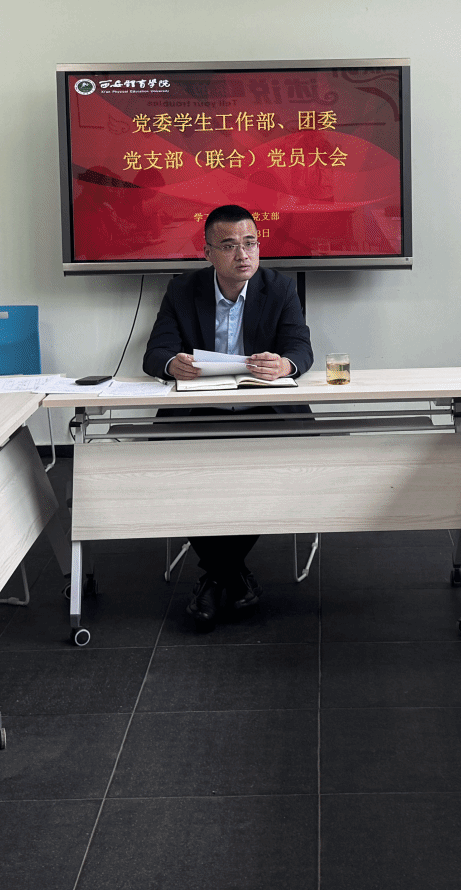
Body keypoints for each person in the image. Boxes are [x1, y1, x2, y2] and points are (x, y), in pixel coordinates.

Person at [142, 203, 314, 627]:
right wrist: (172, 364)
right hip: (200, 411)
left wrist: (284, 365)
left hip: (264, 410)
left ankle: (216, 577)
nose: (243, 255)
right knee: (170, 470)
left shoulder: (279, 288)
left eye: (250, 243)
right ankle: (231, 575)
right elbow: (155, 353)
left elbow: (300, 348)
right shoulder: (182, 290)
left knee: (270, 472)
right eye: (230, 245)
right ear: (208, 253)